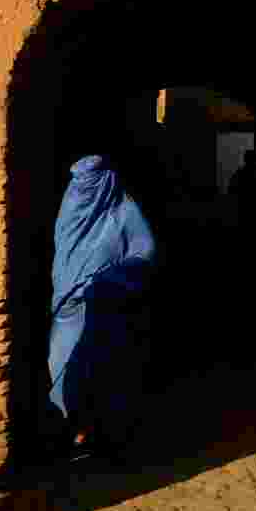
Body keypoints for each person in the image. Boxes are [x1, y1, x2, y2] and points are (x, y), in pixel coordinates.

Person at [47, 155, 156, 457]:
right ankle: (72, 428)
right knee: (63, 364)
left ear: (105, 180)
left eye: (91, 181)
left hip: (108, 307)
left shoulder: (124, 212)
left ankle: (98, 434)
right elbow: (63, 256)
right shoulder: (71, 207)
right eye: (79, 181)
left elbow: (144, 253)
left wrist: (109, 279)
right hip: (69, 308)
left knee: (105, 368)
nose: (84, 188)